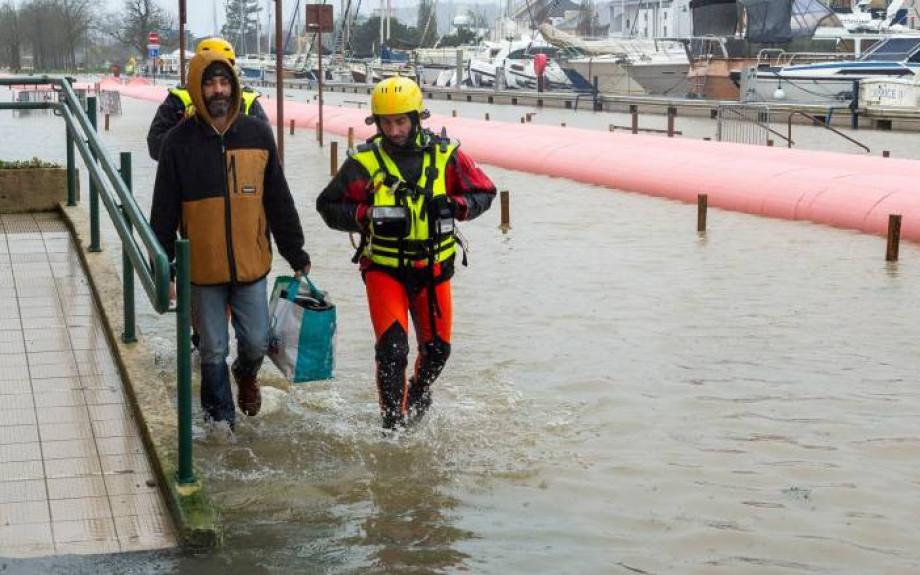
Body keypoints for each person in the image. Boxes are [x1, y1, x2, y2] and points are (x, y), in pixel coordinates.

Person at [316, 76, 496, 429]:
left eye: (401, 121)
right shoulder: (363, 163)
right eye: (386, 122)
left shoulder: (448, 156)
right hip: (385, 270)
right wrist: (364, 215)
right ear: (377, 122)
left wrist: (455, 205)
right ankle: (392, 427)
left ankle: (417, 393)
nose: (394, 130)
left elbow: (485, 193)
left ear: (417, 118)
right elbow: (328, 206)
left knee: (438, 353)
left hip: (433, 269)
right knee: (393, 351)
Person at [150, 50, 311, 429]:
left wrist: (295, 250)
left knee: (256, 341)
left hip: (251, 264)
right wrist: (167, 267)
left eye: (224, 83)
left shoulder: (257, 134)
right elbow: (163, 212)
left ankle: (246, 373)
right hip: (202, 271)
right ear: (197, 88)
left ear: (234, 86)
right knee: (211, 350)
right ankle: (221, 427)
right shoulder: (177, 143)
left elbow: (278, 198)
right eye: (209, 83)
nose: (217, 91)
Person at [146, 37, 268, 162]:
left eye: (224, 77)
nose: (218, 89)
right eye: (209, 80)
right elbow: (155, 146)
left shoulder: (248, 100)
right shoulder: (179, 99)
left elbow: (266, 148)